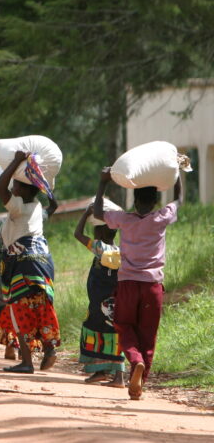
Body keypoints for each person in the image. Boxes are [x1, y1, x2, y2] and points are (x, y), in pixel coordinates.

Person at [94, 169, 182, 400]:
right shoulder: (161, 217)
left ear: (135, 200)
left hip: (127, 283)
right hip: (152, 286)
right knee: (148, 335)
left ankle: (136, 361)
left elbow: (97, 212)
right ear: (154, 201)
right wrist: (178, 173)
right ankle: (139, 382)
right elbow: (179, 200)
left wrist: (103, 183)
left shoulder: (124, 219)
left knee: (123, 325)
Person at [0, 150, 60, 374]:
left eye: (16, 185)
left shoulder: (18, 207)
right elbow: (54, 202)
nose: (12, 188)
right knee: (41, 306)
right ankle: (50, 349)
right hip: (43, 261)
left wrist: (16, 161)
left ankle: (27, 362)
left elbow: (1, 187)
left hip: (23, 263)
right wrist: (44, 179)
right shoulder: (38, 207)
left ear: (21, 190)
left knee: (19, 310)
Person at [74, 204, 127, 387]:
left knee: (93, 331)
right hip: (116, 303)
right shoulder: (121, 252)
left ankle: (102, 371)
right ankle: (112, 374)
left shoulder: (99, 248)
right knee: (116, 333)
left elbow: (78, 234)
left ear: (100, 235)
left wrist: (86, 213)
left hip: (98, 303)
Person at [0, 217, 18, 360]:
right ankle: (21, 349)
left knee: (8, 303)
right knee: (25, 303)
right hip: (34, 262)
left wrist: (0, 268)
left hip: (6, 264)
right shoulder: (35, 213)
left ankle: (10, 346)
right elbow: (52, 208)